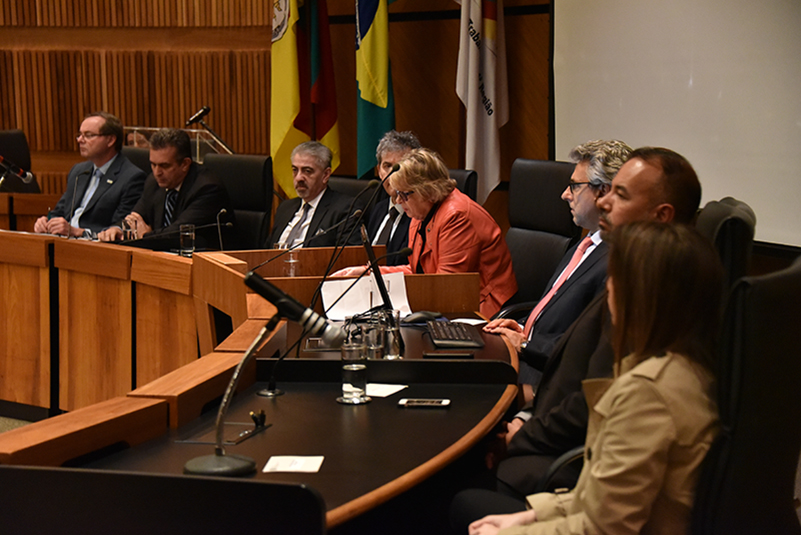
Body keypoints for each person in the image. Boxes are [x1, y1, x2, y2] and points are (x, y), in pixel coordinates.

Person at [450, 147, 705, 519]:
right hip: (549, 420)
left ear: (660, 215)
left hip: (566, 454)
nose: (603, 203)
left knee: (453, 475)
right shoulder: (602, 251)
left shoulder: (648, 286)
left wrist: (523, 432)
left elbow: (594, 395)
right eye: (606, 190)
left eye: (619, 194)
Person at [464, 221, 722, 535]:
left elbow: (604, 528)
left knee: (463, 506)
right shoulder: (686, 364)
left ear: (640, 295)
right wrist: (533, 515)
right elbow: (603, 495)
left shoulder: (647, 393)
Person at [483, 140, 632, 387]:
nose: (565, 194)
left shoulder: (618, 259)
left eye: (574, 186)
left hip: (545, 378)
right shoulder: (586, 243)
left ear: (604, 191)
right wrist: (523, 327)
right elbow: (558, 311)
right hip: (527, 355)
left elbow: (590, 347)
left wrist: (526, 344)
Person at [337, 148, 517, 318]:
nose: (399, 201)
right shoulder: (420, 212)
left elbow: (446, 287)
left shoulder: (456, 216)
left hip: (484, 310)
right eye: (397, 193)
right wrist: (369, 272)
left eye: (404, 194)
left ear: (428, 190)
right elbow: (418, 271)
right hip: (453, 301)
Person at [98, 128, 232, 249]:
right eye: (153, 164)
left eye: (165, 166)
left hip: (207, 264)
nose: (157, 172)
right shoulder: (154, 181)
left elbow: (178, 233)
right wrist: (118, 229)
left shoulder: (207, 188)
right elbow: (137, 217)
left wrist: (145, 235)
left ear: (185, 164)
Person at [33, 112, 146, 238]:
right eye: (80, 135)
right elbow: (61, 212)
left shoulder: (132, 178)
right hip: (64, 242)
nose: (80, 140)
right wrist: (47, 222)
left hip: (96, 249)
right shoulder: (78, 171)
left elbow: (120, 229)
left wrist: (79, 232)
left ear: (110, 140)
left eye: (88, 135)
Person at [265, 141, 360, 249]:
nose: (299, 178)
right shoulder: (285, 208)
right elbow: (266, 252)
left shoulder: (345, 209)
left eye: (307, 171)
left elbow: (348, 256)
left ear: (325, 175)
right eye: (295, 170)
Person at [365, 130, 422, 266]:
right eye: (387, 166)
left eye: (400, 166)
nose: (393, 174)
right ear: (379, 171)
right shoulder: (378, 209)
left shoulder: (420, 213)